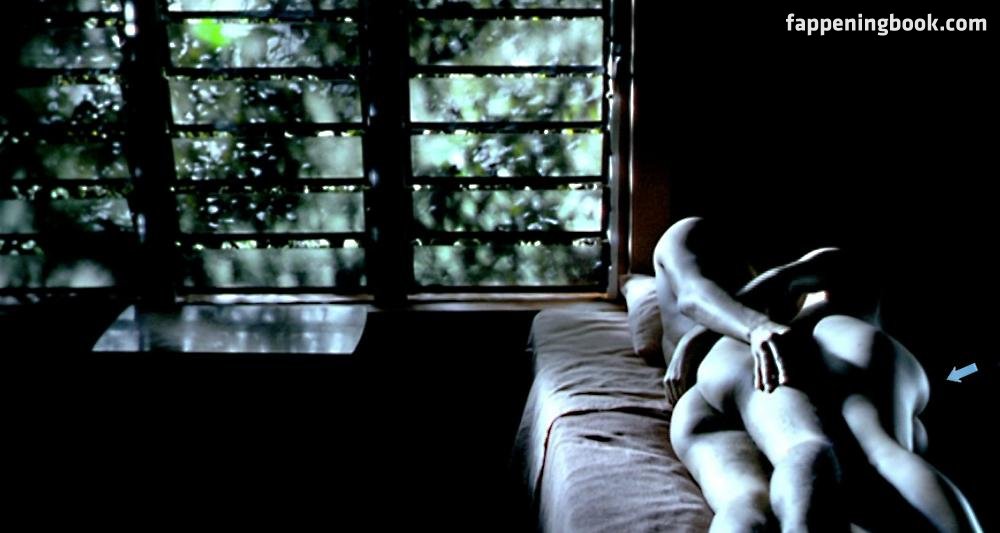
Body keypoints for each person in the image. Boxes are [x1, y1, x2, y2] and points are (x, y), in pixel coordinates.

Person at [655, 217, 981, 532]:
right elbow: (696, 296)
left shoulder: (803, 280)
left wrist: (701, 336)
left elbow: (706, 297)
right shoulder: (695, 236)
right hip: (799, 358)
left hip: (760, 364)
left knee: (769, 485)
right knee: (874, 452)